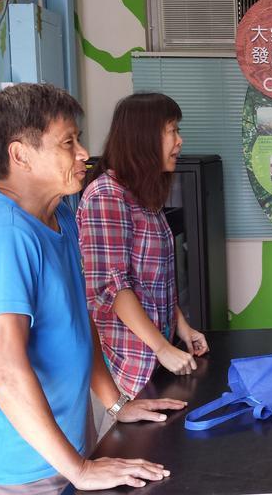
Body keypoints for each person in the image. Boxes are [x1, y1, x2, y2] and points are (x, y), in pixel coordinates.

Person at [0, 83, 185, 492]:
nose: (84, 153)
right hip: (23, 466)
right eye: (68, 143)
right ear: (20, 155)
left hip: (68, 447)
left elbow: (78, 319)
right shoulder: (4, 236)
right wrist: (81, 470)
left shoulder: (61, 216)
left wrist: (116, 404)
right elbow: (3, 374)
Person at [77, 93, 209, 400]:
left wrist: (182, 328)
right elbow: (113, 287)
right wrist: (162, 348)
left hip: (155, 358)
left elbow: (155, 281)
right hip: (129, 367)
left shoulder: (142, 196)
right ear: (143, 137)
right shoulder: (106, 196)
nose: (180, 141)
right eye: (172, 130)